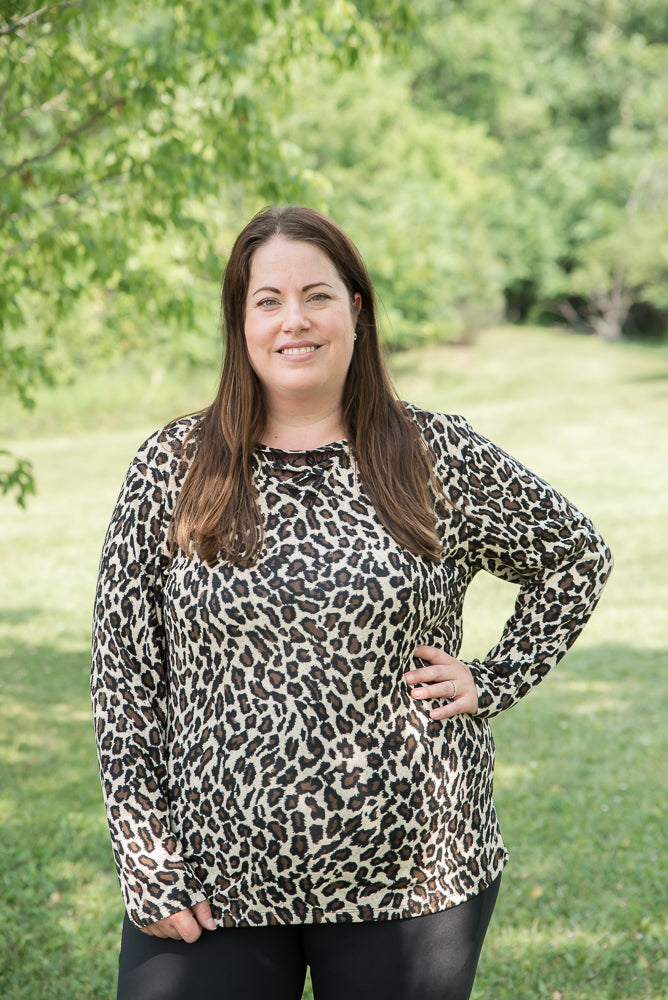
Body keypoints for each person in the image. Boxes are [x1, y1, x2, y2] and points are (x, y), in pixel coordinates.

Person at [91, 205, 613, 1000]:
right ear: (240, 322)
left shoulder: (436, 455)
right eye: (267, 300)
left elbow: (576, 558)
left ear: (357, 311)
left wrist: (492, 679)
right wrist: (146, 855)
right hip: (212, 877)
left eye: (317, 295)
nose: (293, 320)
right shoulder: (173, 466)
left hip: (414, 877)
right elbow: (124, 677)